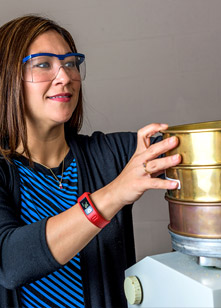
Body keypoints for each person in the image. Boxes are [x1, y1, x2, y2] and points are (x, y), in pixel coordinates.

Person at [0, 15, 181, 308]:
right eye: (44, 64)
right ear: (7, 77)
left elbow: (209, 154)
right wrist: (114, 193)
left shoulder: (113, 154)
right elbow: (10, 262)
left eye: (70, 63)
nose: (65, 76)